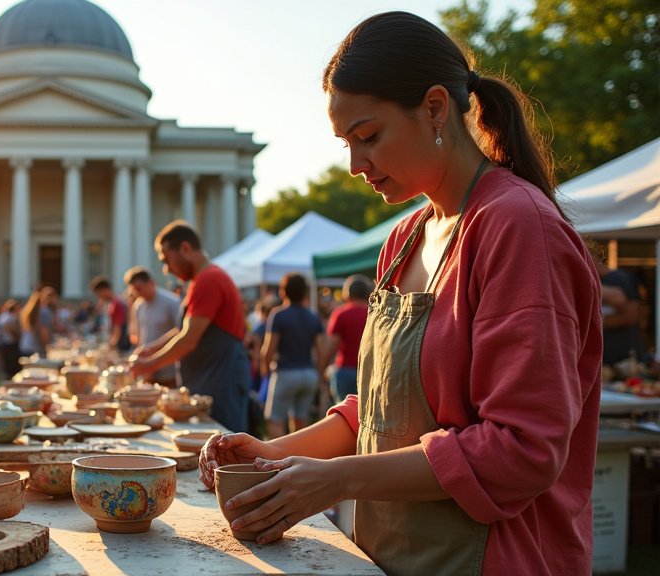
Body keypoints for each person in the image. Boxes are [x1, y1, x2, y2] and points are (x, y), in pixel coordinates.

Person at [198, 12, 602, 576]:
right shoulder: (404, 239)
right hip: (390, 554)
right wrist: (277, 457)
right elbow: (382, 411)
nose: (355, 165)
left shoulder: (517, 227)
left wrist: (337, 480)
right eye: (346, 143)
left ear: (436, 108)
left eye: (368, 137)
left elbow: (522, 449)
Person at [131, 221, 250, 433]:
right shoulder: (201, 280)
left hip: (220, 383)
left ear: (185, 248)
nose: (166, 269)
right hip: (211, 380)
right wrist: (152, 348)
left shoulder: (209, 279)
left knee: (226, 450)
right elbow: (183, 330)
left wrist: (148, 365)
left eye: (166, 259)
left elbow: (189, 339)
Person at [260, 273, 323, 438]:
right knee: (300, 423)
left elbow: (268, 349)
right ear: (304, 293)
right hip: (308, 373)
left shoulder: (278, 315)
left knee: (274, 421)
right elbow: (320, 350)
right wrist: (319, 375)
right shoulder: (313, 316)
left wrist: (265, 372)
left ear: (283, 292)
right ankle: (297, 459)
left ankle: (279, 459)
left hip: (286, 372)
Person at [317, 274, 372, 402]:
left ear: (347, 293)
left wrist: (321, 371)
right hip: (369, 371)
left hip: (345, 370)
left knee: (344, 416)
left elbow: (330, 347)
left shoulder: (341, 314)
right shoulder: (373, 313)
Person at [124, 266, 181, 387]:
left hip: (169, 370)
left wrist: (152, 348)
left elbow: (180, 331)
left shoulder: (171, 302)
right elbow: (140, 338)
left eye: (139, 288)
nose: (137, 293)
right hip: (148, 372)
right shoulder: (138, 305)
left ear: (151, 283)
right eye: (134, 290)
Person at [594, 259, 646, 366]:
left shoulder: (619, 278)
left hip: (624, 357)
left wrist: (596, 323)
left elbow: (631, 314)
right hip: (603, 358)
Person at [91, 277, 132, 354]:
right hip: (119, 344)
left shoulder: (116, 304)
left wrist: (110, 346)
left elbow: (117, 330)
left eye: (98, 294)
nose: (98, 297)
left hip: (121, 347)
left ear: (104, 290)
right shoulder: (112, 303)